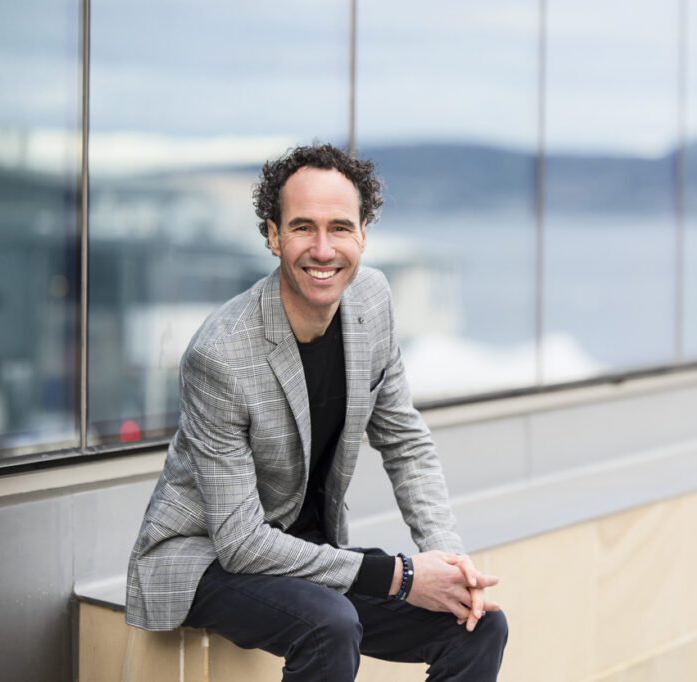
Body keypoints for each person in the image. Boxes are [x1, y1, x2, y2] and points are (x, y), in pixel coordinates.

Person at [125, 144, 507, 681]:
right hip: (204, 557)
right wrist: (400, 577)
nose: (323, 249)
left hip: (306, 551)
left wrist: (447, 563)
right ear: (273, 236)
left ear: (363, 234)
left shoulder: (372, 301)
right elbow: (240, 543)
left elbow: (405, 442)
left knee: (477, 623)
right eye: (303, 227)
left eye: (340, 228)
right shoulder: (221, 355)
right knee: (330, 625)